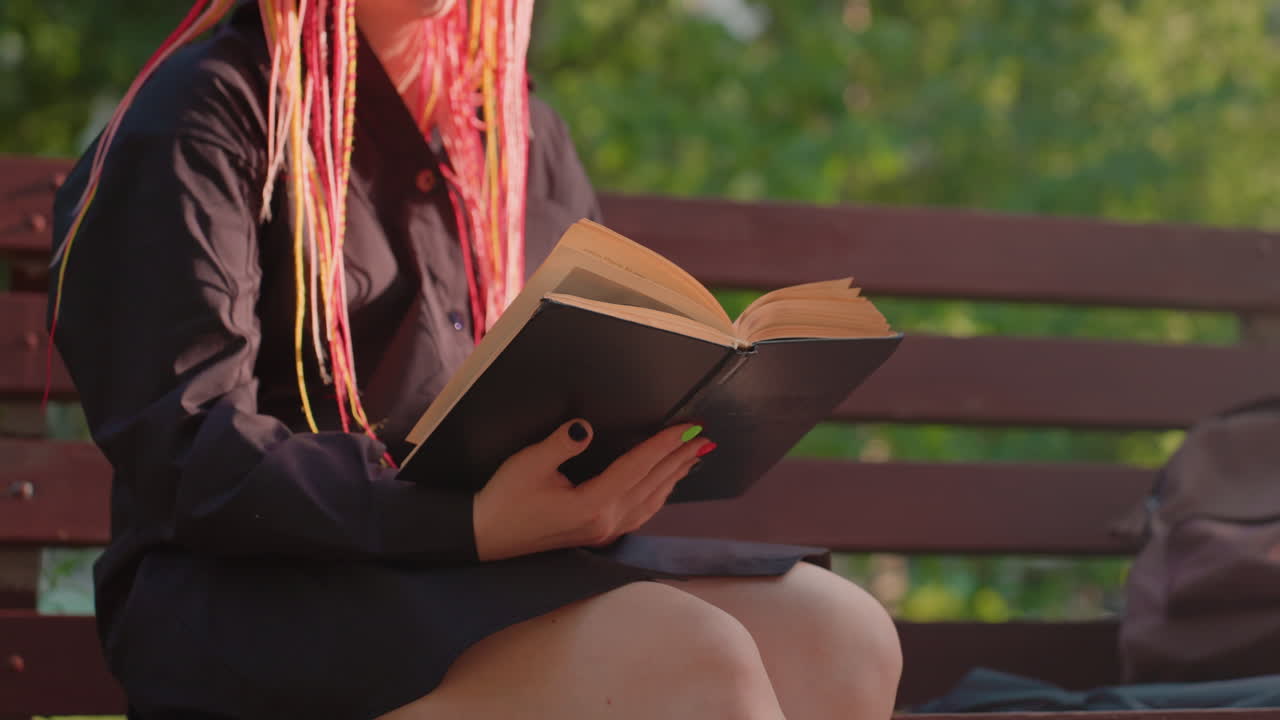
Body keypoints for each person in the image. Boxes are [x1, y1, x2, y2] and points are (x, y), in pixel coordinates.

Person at [47, 0, 902, 717]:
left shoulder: (515, 132)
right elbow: (191, 453)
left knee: (839, 635)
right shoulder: (204, 114)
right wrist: (469, 522)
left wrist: (619, 461)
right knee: (684, 655)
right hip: (258, 595)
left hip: (486, 567)